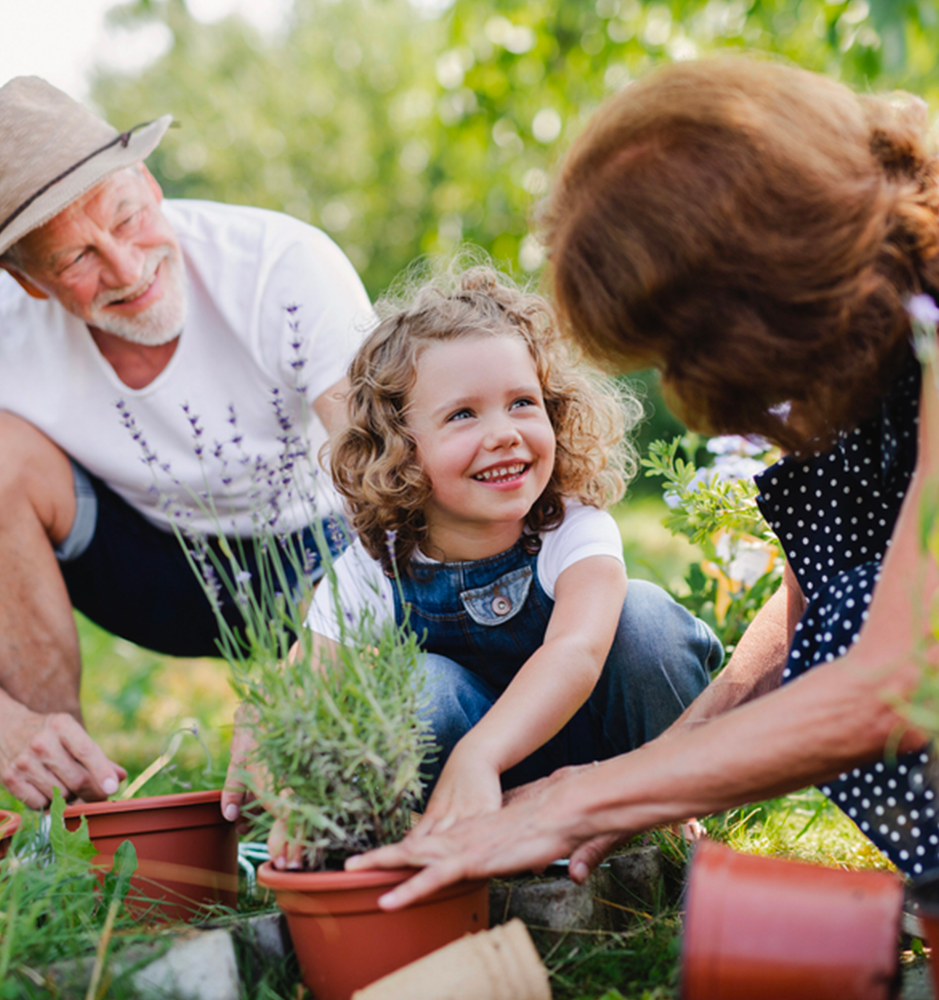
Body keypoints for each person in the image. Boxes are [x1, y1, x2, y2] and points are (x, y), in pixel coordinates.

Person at [347, 56, 939, 909]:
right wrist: (641, 784)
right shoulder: (867, 346)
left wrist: (578, 797)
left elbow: (897, 671)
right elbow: (822, 607)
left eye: (679, 349)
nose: (683, 391)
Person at [0, 77, 371, 810]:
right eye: (75, 258)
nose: (126, 267)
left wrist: (315, 663)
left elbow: (403, 500)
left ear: (148, 179)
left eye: (127, 217)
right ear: (26, 280)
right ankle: (70, 813)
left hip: (327, 549)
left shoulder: (283, 265)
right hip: (151, 568)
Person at [262, 265, 720, 869]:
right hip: (468, 791)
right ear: (400, 446)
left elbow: (576, 652)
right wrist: (299, 791)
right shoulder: (375, 565)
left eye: (521, 403)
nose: (504, 433)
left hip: (605, 765)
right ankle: (461, 841)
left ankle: (665, 812)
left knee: (645, 619)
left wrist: (482, 751)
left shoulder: (572, 529)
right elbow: (311, 689)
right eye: (463, 415)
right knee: (415, 686)